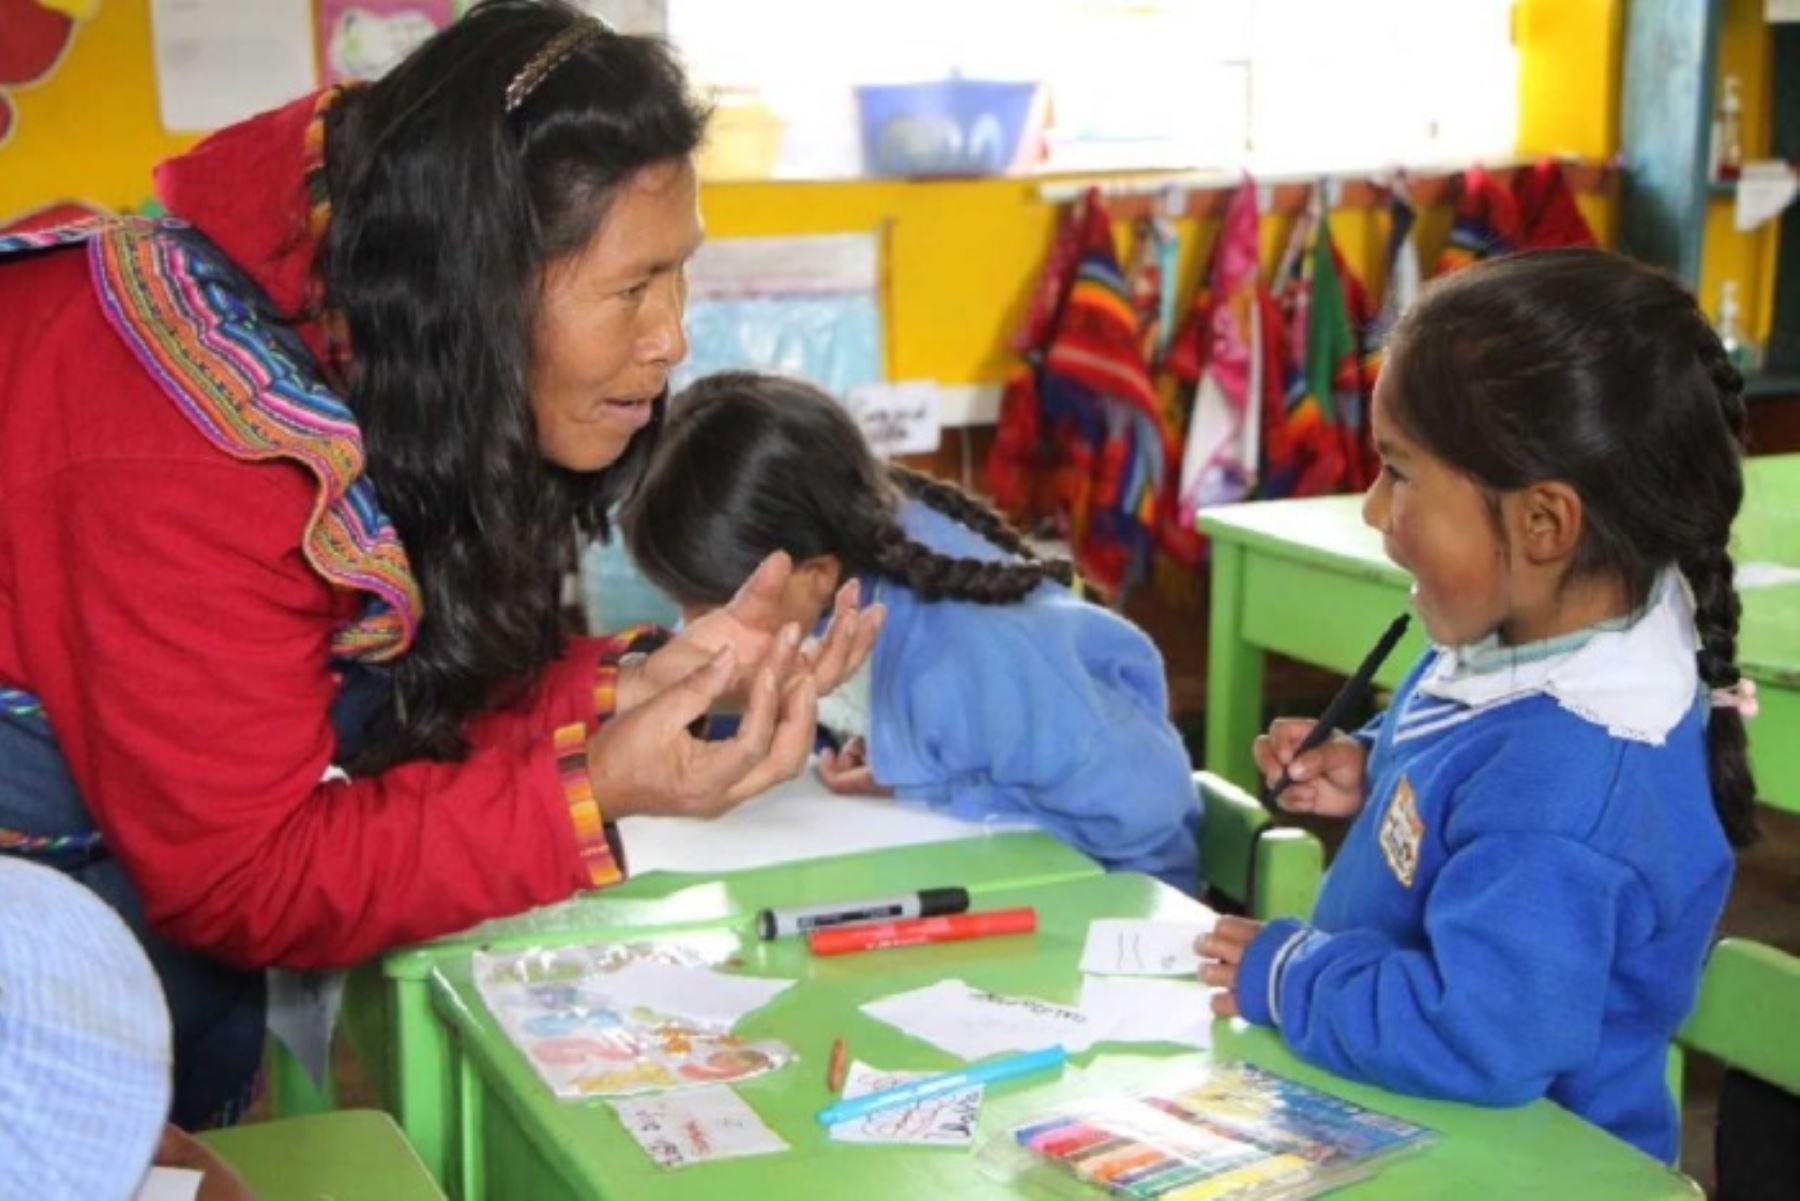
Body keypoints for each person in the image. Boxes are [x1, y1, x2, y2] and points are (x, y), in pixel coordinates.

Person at [0, 0, 877, 1128]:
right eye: (630, 286)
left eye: (679, 275)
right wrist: (594, 786)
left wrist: (633, 681)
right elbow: (240, 875)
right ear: (476, 278)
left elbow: (374, 693)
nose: (671, 337)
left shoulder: (352, 310)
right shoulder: (180, 442)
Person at [1198, 248, 1758, 1163]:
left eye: (1400, 473)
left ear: (1544, 522)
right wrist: (1378, 763)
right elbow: (1479, 777)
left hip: (1526, 1165)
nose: (1375, 510)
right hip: (1411, 1116)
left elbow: (1477, 1037)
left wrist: (1290, 973)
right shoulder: (1528, 634)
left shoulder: (1573, 789)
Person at [621, 371, 1200, 892]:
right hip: (971, 873)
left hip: (1114, 916)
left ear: (817, 574)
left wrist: (939, 785)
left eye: (712, 607)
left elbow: (1147, 812)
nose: (694, 631)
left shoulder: (978, 656)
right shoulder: (828, 563)